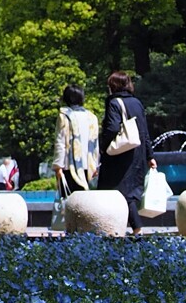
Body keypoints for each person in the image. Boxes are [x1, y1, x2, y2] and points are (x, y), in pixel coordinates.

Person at [97, 71, 157, 236]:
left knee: (114, 190)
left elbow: (113, 128)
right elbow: (144, 132)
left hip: (119, 153)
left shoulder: (114, 103)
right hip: (136, 153)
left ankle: (130, 228)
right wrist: (150, 156)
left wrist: (104, 146)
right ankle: (132, 228)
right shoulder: (137, 103)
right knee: (129, 191)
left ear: (113, 86)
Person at [55, 85, 100, 193]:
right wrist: (96, 164)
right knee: (84, 203)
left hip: (68, 166)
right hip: (88, 166)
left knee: (70, 202)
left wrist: (58, 166)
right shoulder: (91, 117)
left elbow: (60, 143)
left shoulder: (64, 116)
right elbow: (95, 144)